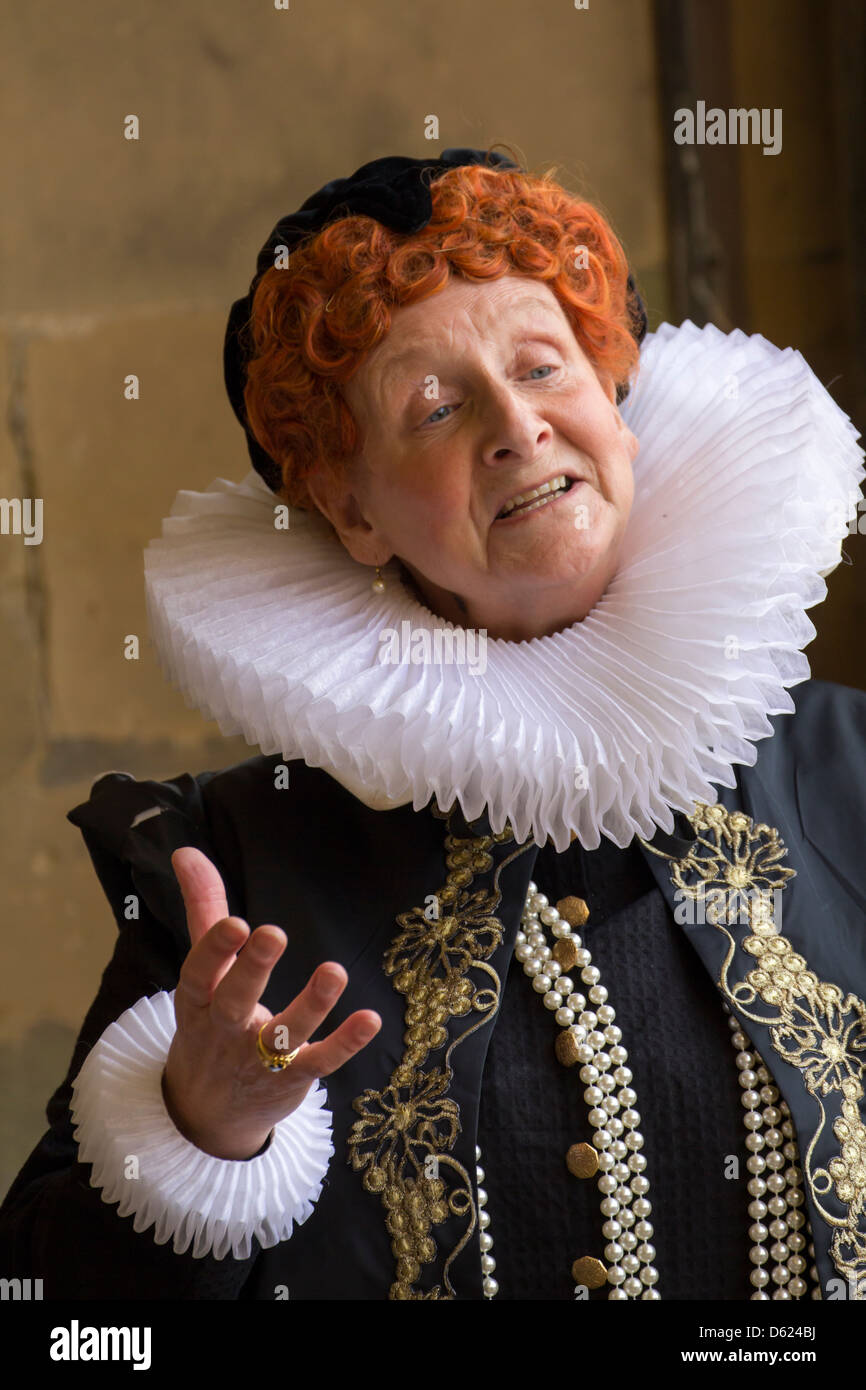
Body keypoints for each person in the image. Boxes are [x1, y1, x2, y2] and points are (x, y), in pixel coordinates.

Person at [2, 147, 865, 1302]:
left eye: (542, 367)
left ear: (611, 394)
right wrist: (198, 1130)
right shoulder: (236, 861)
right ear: (353, 508)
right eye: (435, 406)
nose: (517, 429)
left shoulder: (848, 773)